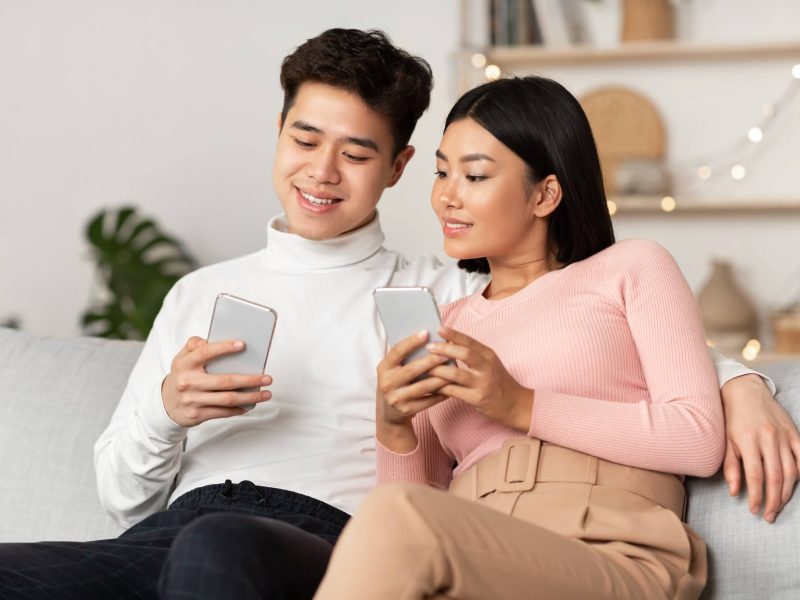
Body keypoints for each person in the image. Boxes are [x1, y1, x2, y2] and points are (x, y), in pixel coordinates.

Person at [0, 28, 796, 600]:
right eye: (305, 139)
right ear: (277, 133)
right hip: (181, 529)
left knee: (225, 550)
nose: (321, 171)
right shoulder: (197, 294)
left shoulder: (443, 297)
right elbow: (122, 497)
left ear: (393, 167)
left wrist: (745, 381)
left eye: (355, 153)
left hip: (320, 538)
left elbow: (592, 329)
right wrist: (168, 416)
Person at [311, 75, 799, 600]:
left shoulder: (632, 268)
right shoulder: (445, 322)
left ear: (545, 194)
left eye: (474, 176)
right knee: (393, 521)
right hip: (477, 559)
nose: (446, 196)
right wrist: (395, 425)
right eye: (441, 172)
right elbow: (413, 516)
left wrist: (519, 404)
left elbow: (697, 437)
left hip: (612, 552)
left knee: (394, 517)